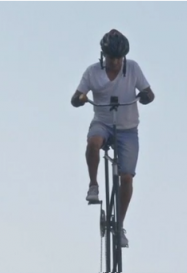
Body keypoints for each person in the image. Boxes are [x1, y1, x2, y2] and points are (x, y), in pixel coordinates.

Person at [70, 29, 155, 247]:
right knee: (93, 143)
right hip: (103, 122)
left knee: (127, 178)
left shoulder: (133, 68)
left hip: (127, 129)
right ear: (103, 56)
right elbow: (74, 98)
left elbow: (149, 93)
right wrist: (81, 98)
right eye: (111, 58)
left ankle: (119, 226)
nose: (115, 62)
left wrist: (145, 96)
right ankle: (93, 185)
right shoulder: (92, 72)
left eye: (118, 58)